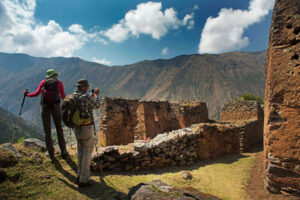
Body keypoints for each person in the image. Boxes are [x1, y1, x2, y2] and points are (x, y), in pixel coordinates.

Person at [24, 69, 68, 159]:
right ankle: (63, 151)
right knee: (59, 128)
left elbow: (36, 93)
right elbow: (63, 96)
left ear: (48, 76)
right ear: (55, 75)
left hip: (45, 107)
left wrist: (27, 94)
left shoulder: (43, 82)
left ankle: (51, 153)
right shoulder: (59, 83)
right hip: (56, 107)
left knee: (47, 131)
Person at [73, 79, 100, 187]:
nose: (88, 88)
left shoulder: (74, 96)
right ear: (83, 87)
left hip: (77, 127)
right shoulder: (86, 97)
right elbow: (97, 105)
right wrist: (96, 96)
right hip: (86, 127)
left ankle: (79, 175)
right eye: (87, 86)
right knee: (87, 153)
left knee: (80, 152)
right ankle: (84, 180)